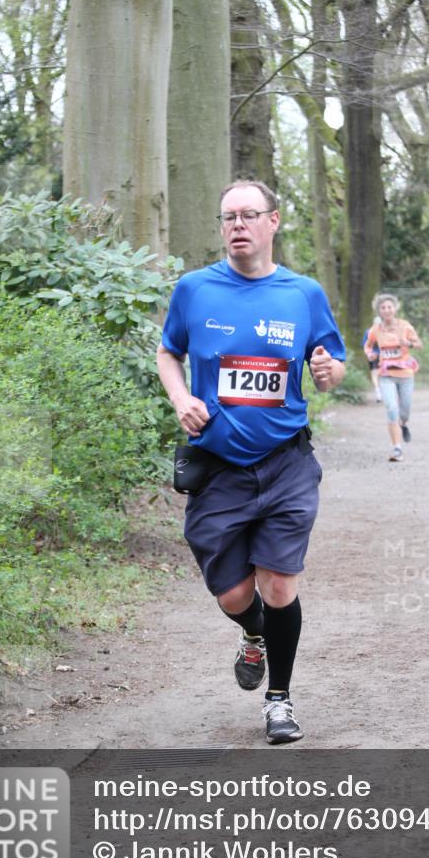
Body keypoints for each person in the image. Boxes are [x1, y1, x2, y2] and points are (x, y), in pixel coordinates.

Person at [156, 180, 346, 744]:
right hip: (218, 466)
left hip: (287, 462)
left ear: (273, 221)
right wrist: (181, 399)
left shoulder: (303, 293)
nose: (237, 225)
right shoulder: (195, 289)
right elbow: (168, 352)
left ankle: (279, 701)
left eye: (248, 214)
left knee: (280, 585)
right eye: (228, 217)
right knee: (235, 596)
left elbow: (331, 363)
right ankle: (254, 633)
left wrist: (328, 372)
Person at [364, 293, 422, 462]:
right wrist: (370, 354)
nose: (387, 310)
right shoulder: (375, 329)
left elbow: (419, 344)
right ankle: (397, 448)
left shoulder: (405, 326)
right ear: (379, 311)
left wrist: (408, 343)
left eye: (389, 307)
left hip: (405, 374)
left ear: (395, 309)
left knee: (404, 410)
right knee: (391, 409)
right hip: (386, 374)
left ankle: (403, 424)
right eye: (383, 308)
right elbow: (368, 346)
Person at [362, 316, 382, 402]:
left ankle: (378, 393)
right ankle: (381, 392)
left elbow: (365, 345)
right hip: (382, 355)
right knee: (381, 374)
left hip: (372, 355)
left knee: (374, 374)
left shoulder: (368, 331)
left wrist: (368, 354)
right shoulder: (383, 332)